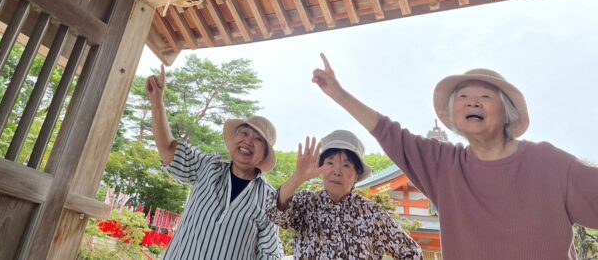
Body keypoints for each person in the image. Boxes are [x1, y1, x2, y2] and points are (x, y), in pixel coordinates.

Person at [312, 54, 598, 260]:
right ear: (454, 117)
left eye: (485, 96)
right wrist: (339, 93)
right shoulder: (444, 165)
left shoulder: (549, 162)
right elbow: (388, 131)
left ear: (507, 111)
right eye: (463, 96)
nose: (472, 101)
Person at [145, 65, 283, 260]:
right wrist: (157, 102)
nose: (247, 140)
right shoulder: (208, 167)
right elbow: (168, 149)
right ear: (233, 142)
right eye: (244, 133)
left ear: (263, 155)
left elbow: (270, 255)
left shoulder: (269, 199)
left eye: (258, 139)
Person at [266, 129, 423, 259]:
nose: (337, 171)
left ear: (357, 175)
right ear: (320, 170)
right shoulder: (306, 203)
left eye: (346, 165)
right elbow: (275, 214)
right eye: (330, 163)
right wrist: (297, 178)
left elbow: (412, 253)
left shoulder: (373, 213)